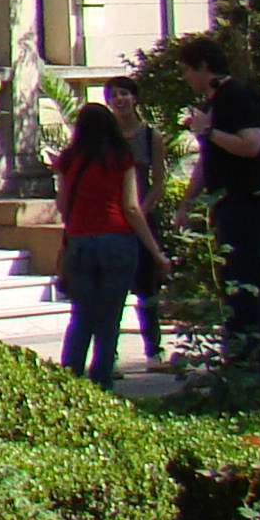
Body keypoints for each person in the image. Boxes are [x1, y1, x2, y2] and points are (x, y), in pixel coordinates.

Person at [177, 33, 260, 372]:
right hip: (230, 205)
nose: (185, 79)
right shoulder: (217, 103)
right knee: (238, 279)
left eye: (187, 71)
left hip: (249, 205)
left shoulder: (236, 97)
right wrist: (187, 203)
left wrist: (208, 132)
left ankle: (249, 359)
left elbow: (251, 145)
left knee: (245, 280)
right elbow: (209, 162)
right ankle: (246, 356)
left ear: (204, 67)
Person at [52, 99, 164, 387]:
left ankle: (70, 380)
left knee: (81, 316)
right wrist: (156, 251)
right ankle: (102, 382)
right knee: (109, 318)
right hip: (117, 240)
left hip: (80, 241)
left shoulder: (69, 160)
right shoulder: (121, 159)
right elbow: (131, 208)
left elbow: (63, 205)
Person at [102, 75, 171, 370]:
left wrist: (142, 211)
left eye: (125, 94)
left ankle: (154, 351)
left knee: (147, 288)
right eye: (114, 95)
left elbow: (159, 180)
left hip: (143, 219)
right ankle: (110, 355)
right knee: (113, 290)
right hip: (112, 221)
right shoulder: (104, 137)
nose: (120, 100)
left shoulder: (150, 136)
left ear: (135, 98)